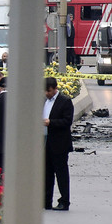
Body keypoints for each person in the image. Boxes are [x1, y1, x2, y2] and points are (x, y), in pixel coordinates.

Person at [44, 77, 74, 211]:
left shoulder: (65, 101)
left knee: (61, 174)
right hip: (45, 142)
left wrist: (51, 122)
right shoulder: (44, 101)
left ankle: (64, 201)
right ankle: (46, 200)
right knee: (47, 173)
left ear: (54, 89)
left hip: (60, 143)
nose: (46, 93)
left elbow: (67, 121)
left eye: (48, 91)